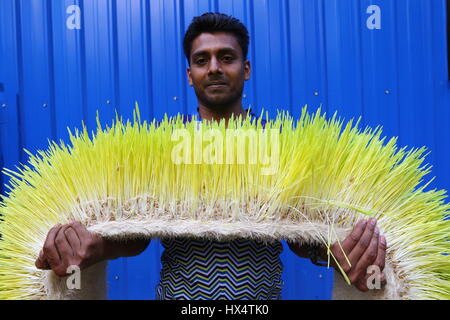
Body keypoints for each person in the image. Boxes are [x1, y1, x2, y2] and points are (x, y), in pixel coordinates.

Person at [35, 12, 387, 299]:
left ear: (245, 69)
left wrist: (345, 253)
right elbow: (136, 235)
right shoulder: (162, 145)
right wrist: (90, 248)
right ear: (190, 75)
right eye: (202, 60)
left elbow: (302, 238)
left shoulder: (280, 144)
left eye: (227, 57)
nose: (215, 67)